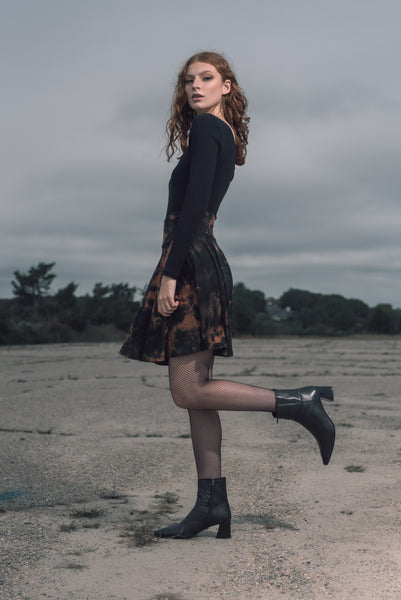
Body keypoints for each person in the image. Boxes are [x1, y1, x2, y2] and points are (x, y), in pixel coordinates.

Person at [120, 51, 335, 540]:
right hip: (198, 259)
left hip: (191, 264)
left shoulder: (207, 128)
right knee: (198, 396)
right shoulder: (222, 133)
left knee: (188, 390)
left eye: (207, 77)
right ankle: (211, 504)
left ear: (227, 86)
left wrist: (170, 274)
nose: (195, 86)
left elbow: (194, 206)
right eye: (188, 80)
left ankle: (297, 402)